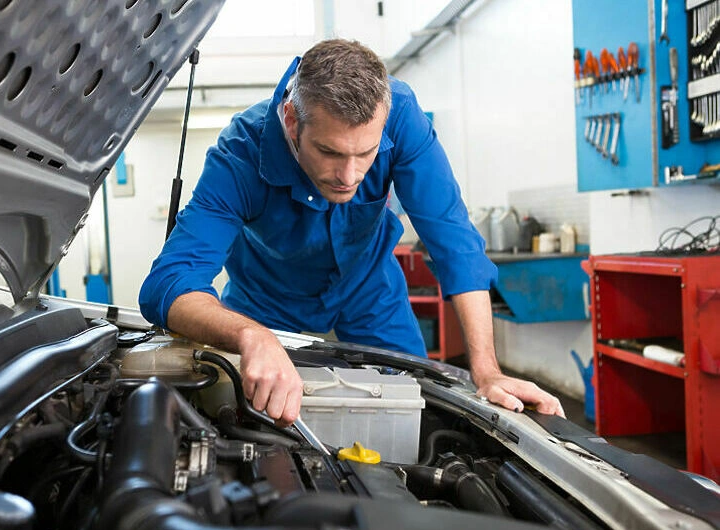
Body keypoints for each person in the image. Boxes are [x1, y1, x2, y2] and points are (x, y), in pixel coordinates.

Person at [139, 39, 564, 425]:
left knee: (415, 411)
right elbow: (169, 283)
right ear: (291, 120)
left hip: (369, 292)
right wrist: (250, 335)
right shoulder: (240, 155)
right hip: (265, 303)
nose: (349, 175)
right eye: (329, 151)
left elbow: (454, 241)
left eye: (367, 152)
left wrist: (486, 371)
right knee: (252, 417)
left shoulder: (402, 114)